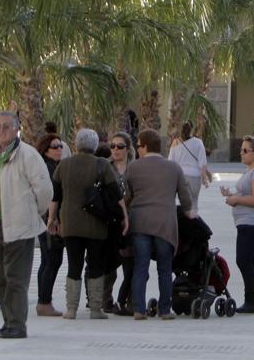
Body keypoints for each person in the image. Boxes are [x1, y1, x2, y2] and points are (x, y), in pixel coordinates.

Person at [0, 111, 53, 339]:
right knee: (0, 279)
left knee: (15, 278)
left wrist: (30, 213)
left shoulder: (27, 155)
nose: (1, 130)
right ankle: (8, 321)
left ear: (17, 128)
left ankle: (18, 325)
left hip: (18, 225)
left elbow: (45, 190)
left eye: (6, 126)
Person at [48, 129, 126, 320]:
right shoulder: (102, 165)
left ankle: (71, 309)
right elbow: (116, 195)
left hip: (70, 224)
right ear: (96, 145)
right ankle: (96, 309)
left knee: (73, 265)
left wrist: (52, 219)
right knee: (96, 265)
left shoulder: (63, 165)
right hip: (96, 224)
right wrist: (125, 216)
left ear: (76, 144)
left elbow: (55, 197)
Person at [125, 128, 195, 321]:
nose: (137, 149)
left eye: (138, 145)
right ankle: (165, 310)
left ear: (145, 146)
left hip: (140, 222)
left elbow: (127, 195)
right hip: (165, 223)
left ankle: (139, 309)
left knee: (141, 266)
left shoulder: (133, 167)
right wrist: (189, 212)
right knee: (165, 268)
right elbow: (185, 195)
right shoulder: (174, 168)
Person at [222, 135, 254, 314]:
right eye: (241, 150)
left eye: (245, 150)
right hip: (248, 222)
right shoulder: (251, 171)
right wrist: (231, 194)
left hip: (253, 223)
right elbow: (249, 194)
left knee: (243, 260)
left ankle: (252, 301)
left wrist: (235, 199)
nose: (241, 153)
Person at [100, 133, 135, 315]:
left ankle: (129, 300)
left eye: (120, 146)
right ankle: (106, 300)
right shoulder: (105, 166)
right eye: (112, 146)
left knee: (131, 262)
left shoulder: (135, 167)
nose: (115, 150)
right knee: (110, 265)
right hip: (110, 220)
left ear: (127, 149)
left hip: (132, 220)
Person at [34, 133, 66, 317]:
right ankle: (44, 302)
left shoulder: (54, 166)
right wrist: (53, 219)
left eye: (60, 146)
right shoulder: (48, 169)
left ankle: (43, 300)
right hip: (49, 220)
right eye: (55, 147)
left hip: (47, 219)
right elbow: (51, 197)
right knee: (52, 260)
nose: (59, 149)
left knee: (48, 260)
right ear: (45, 150)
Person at [169, 121, 211, 210]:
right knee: (194, 203)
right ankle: (193, 220)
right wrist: (204, 178)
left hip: (180, 177)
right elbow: (202, 163)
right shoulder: (198, 142)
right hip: (194, 176)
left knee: (183, 204)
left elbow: (171, 163)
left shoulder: (175, 143)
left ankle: (184, 221)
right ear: (191, 130)